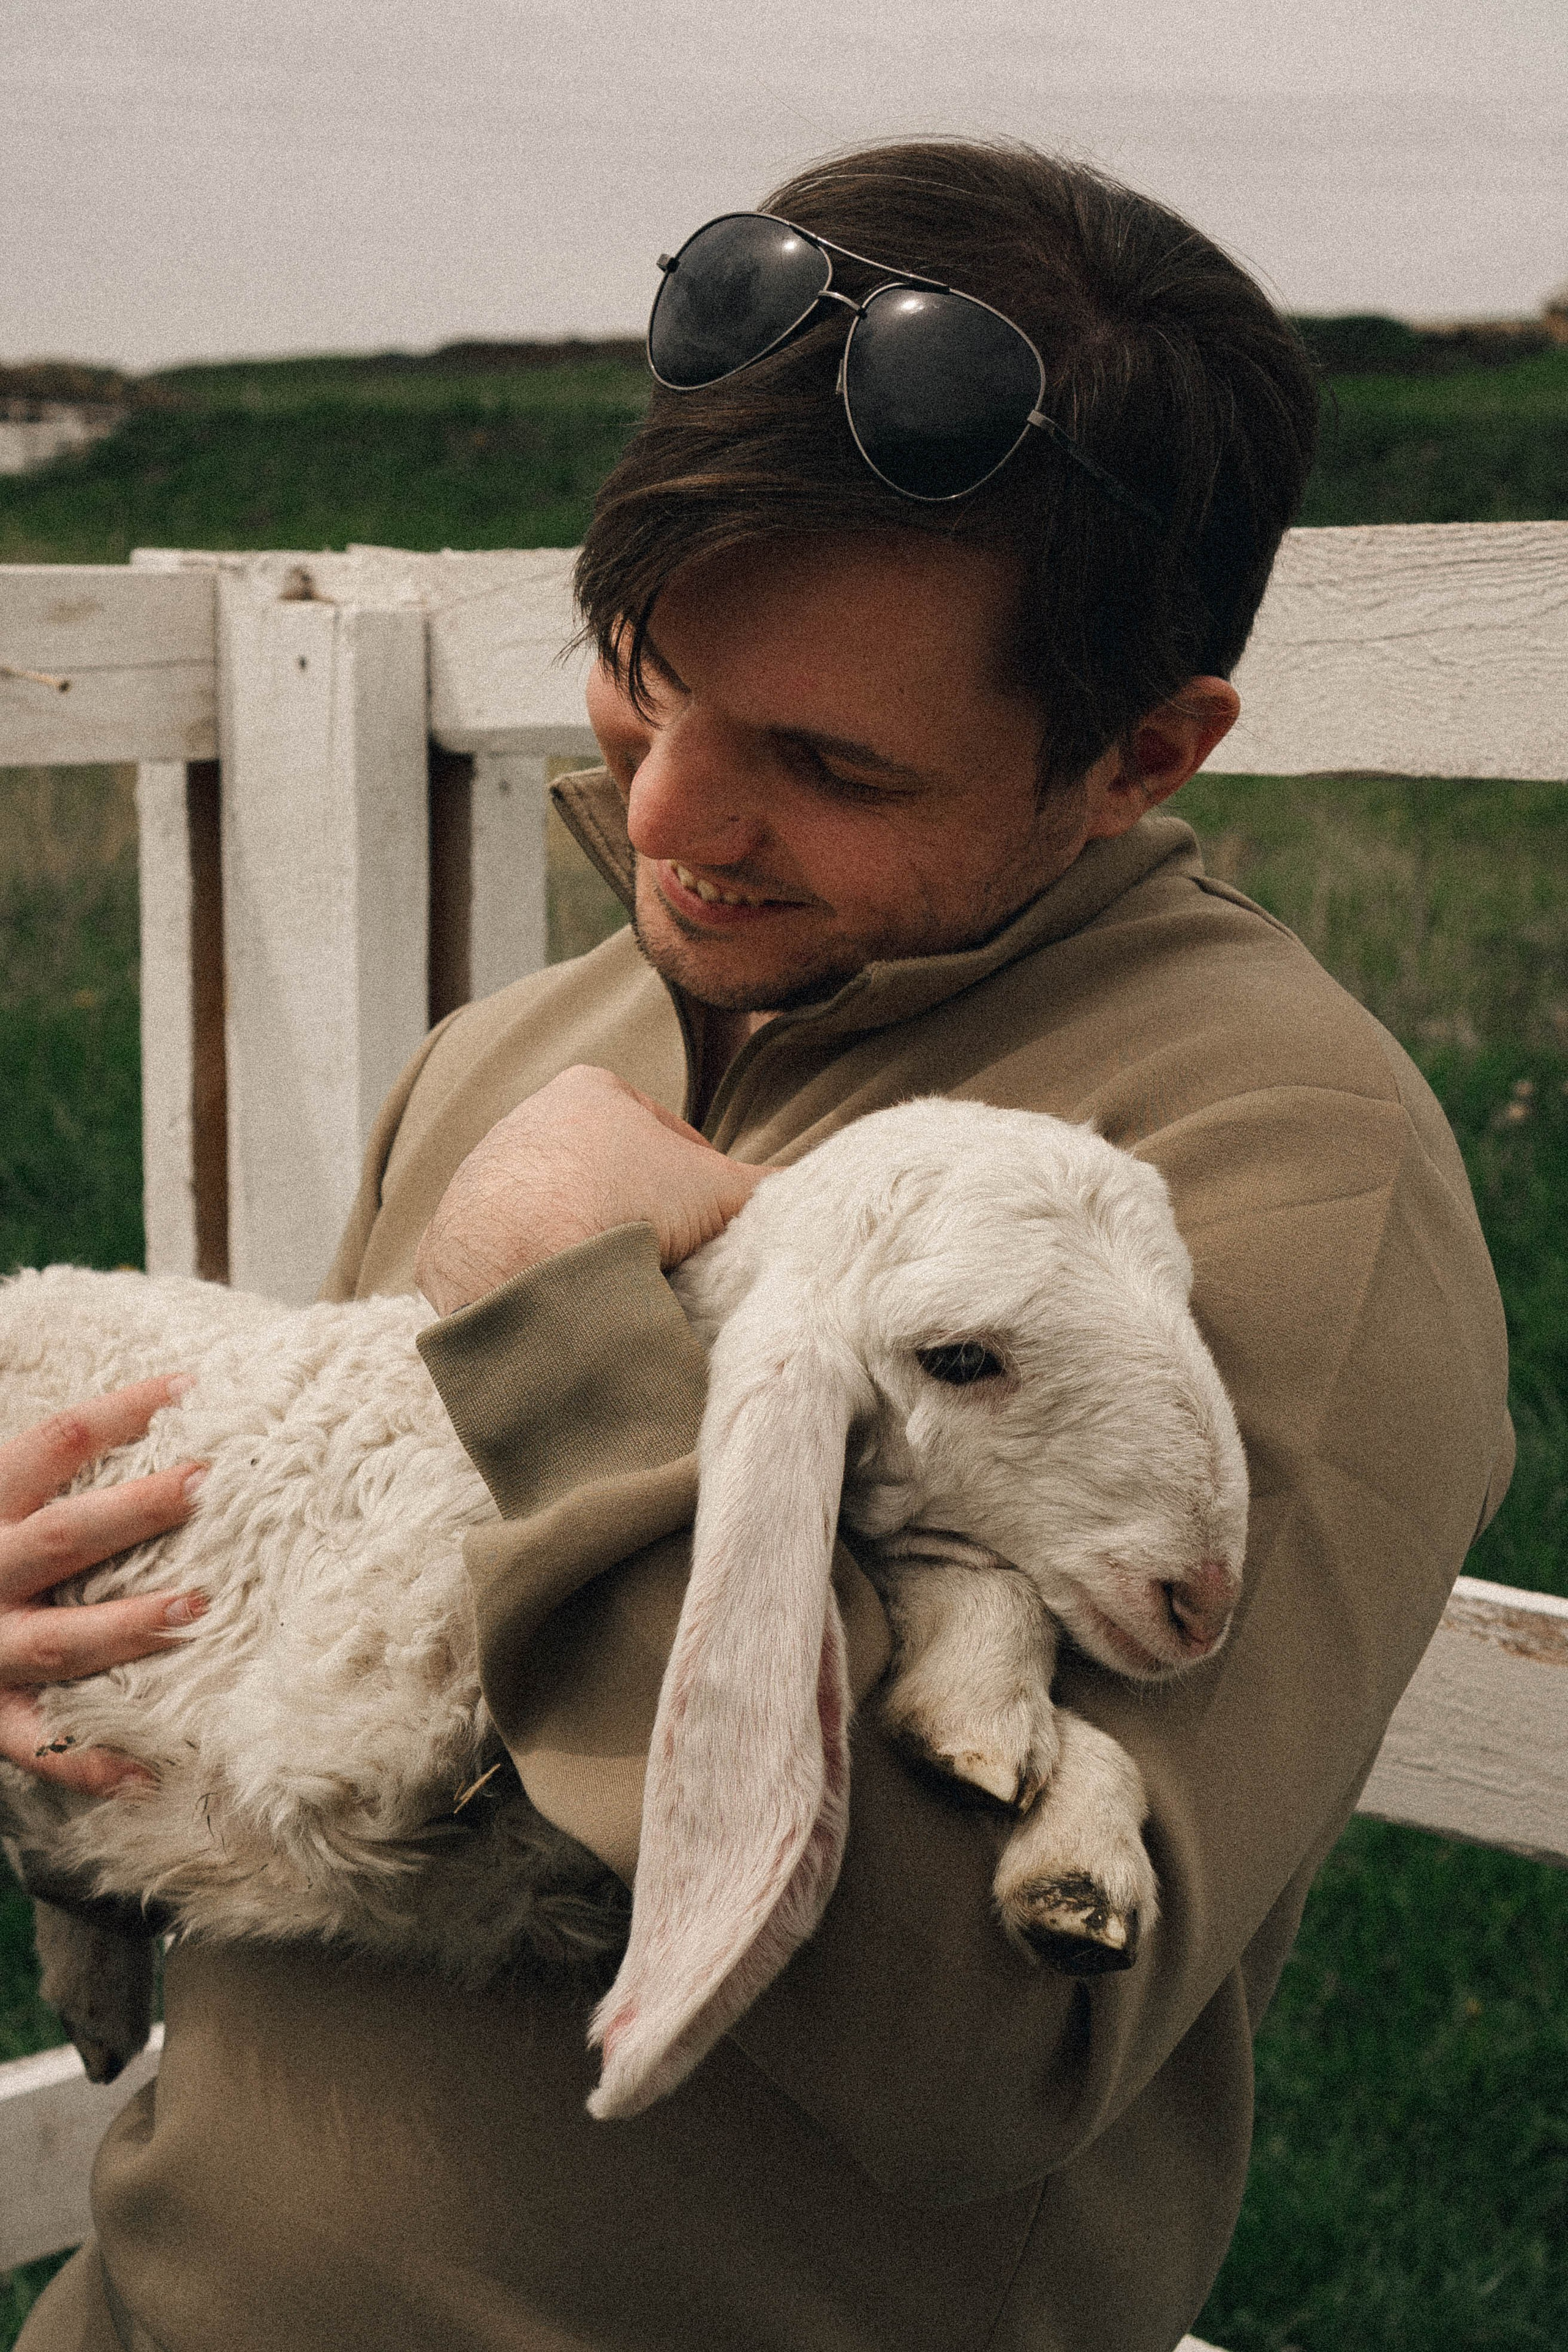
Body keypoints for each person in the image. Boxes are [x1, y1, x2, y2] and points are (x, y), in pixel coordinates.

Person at [7, 141, 1510, 2351]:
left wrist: (565, 1340)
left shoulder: (1282, 1172)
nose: (668, 817)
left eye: (831, 763)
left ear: (1142, 754)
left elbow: (998, 2039)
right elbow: (324, 1659)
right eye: (645, 670)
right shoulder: (531, 1047)